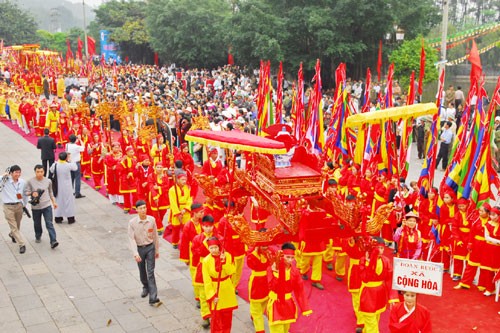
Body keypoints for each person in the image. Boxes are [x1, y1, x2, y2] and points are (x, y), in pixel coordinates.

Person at [267, 242, 312, 333]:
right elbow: (271, 286)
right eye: (288, 257)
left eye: (292, 258)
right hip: (275, 303)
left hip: (288, 304)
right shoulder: (272, 268)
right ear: (282, 256)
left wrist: (305, 308)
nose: (290, 260)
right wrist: (276, 273)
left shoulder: (294, 271)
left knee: (285, 330)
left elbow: (300, 290)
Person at [127, 200, 161, 306]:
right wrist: (135, 253)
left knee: (150, 272)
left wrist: (156, 250)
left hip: (150, 247)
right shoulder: (132, 223)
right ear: (136, 210)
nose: (143, 210)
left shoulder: (151, 220)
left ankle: (153, 297)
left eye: (144, 208)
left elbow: (155, 235)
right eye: (140, 208)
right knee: (142, 270)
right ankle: (145, 287)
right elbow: (131, 239)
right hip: (139, 249)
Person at [202, 236, 238, 333]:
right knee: (216, 318)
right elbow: (206, 280)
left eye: (215, 247)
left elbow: (232, 271)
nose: (214, 250)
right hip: (214, 289)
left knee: (227, 317)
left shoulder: (227, 255)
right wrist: (212, 296)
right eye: (211, 248)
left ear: (219, 246)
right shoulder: (206, 261)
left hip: (226, 288)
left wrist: (224, 262)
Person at [25, 164, 59, 248]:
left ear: (44, 172)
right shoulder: (30, 181)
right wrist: (33, 193)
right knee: (37, 223)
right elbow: (26, 192)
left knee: (49, 223)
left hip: (47, 206)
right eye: (38, 172)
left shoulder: (48, 181)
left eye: (41, 172)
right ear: (35, 172)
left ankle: (53, 240)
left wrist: (54, 202)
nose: (40, 173)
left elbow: (51, 192)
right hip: (36, 207)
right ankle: (38, 235)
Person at [1, 165, 28, 254]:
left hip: (19, 206)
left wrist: (24, 204)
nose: (18, 174)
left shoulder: (22, 181)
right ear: (11, 173)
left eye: (19, 172)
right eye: (16, 172)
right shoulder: (5, 181)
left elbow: (24, 194)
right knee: (13, 226)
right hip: (8, 207)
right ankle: (22, 244)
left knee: (17, 225)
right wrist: (4, 175)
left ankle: (12, 234)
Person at [50, 152, 78, 224]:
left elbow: (51, 170)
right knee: (68, 201)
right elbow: (75, 167)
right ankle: (70, 218)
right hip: (67, 186)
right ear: (66, 158)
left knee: (58, 201)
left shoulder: (55, 165)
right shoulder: (68, 165)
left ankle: (58, 217)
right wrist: (70, 160)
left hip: (58, 186)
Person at [168, 173, 192, 248]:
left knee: (186, 227)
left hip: (186, 210)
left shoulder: (187, 188)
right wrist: (178, 213)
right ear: (177, 180)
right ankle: (175, 242)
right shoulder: (172, 190)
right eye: (182, 180)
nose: (184, 181)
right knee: (176, 227)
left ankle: (186, 241)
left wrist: (186, 209)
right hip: (177, 210)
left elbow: (190, 199)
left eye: (185, 179)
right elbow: (173, 202)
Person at [66, 134, 86, 198]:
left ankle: (69, 192)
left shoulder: (67, 145)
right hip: (76, 163)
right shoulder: (76, 146)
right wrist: (80, 140)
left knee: (71, 178)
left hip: (69, 163)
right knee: (77, 178)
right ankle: (77, 193)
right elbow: (83, 147)